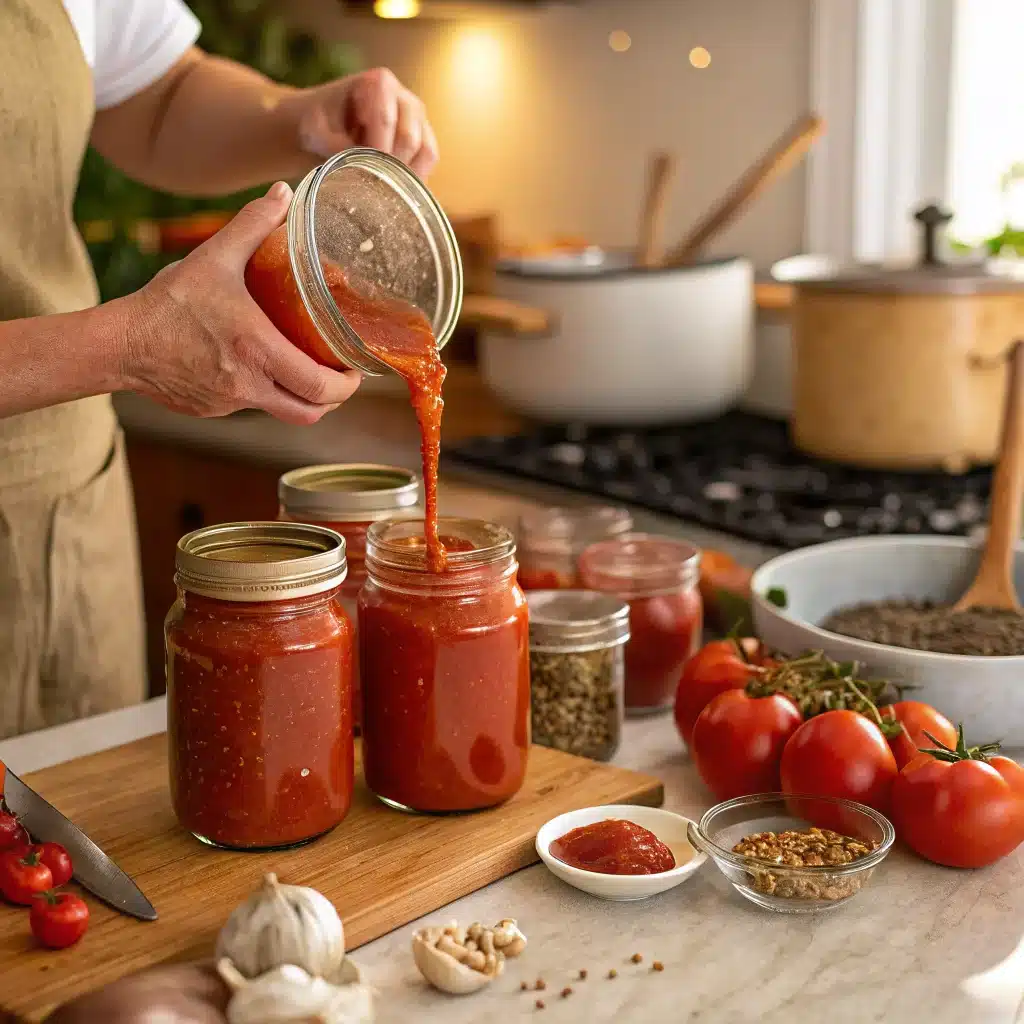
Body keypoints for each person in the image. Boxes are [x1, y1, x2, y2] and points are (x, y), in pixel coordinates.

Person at [0, 0, 437, 740]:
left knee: (72, 835)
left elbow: (158, 97)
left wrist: (294, 117)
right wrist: (124, 346)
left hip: (58, 515)